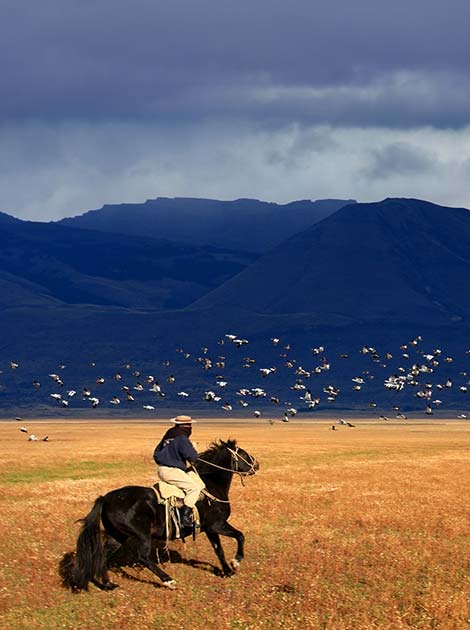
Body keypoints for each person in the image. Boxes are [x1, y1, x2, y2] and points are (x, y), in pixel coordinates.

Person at [153, 415, 200, 528]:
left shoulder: (169, 434)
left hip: (162, 469)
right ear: (186, 426)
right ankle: (185, 517)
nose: (190, 428)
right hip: (172, 471)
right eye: (190, 425)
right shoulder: (182, 438)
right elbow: (193, 457)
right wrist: (193, 449)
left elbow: (156, 452)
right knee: (194, 488)